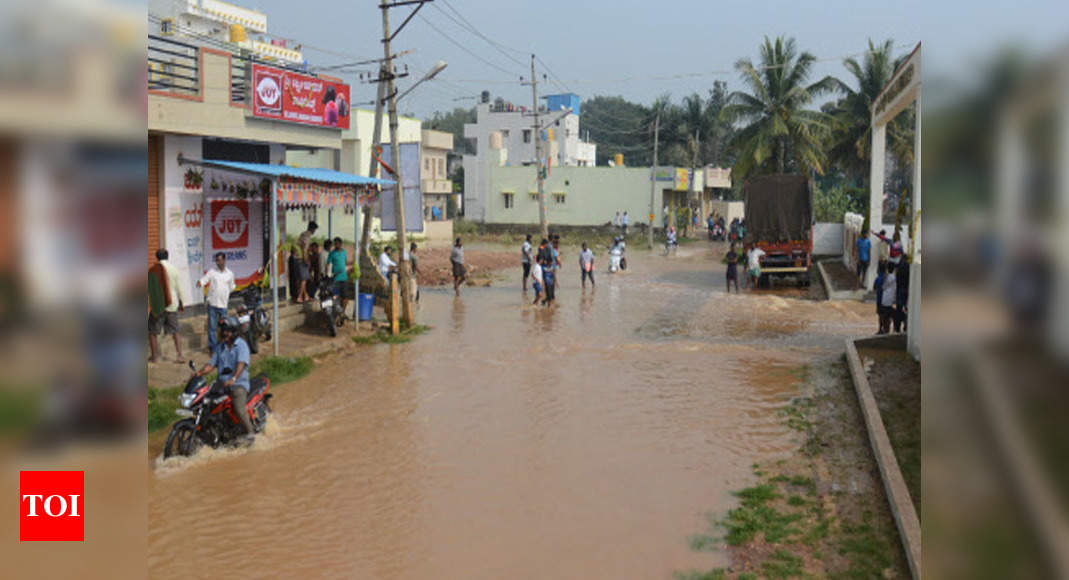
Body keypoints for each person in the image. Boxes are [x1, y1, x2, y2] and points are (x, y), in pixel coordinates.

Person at [194, 316, 254, 442]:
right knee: (207, 405)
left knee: (238, 407)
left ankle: (250, 433)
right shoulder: (220, 347)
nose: (224, 333)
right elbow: (211, 365)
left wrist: (234, 378)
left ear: (234, 331)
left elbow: (241, 364)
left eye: (227, 330)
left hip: (238, 384)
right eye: (223, 330)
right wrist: (199, 373)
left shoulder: (241, 345)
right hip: (221, 385)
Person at [148, 249, 186, 363]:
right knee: (175, 331)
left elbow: (151, 289)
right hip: (172, 304)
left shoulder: (153, 270)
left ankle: (155, 357)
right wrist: (182, 302)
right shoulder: (174, 270)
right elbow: (179, 288)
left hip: (158, 306)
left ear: (156, 257)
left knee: (152, 332)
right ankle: (179, 355)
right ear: (167, 256)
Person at [197, 252, 235, 354]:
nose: (218, 262)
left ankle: (224, 347)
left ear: (224, 260)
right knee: (212, 328)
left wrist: (224, 293)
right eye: (217, 260)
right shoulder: (212, 272)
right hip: (212, 304)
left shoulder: (230, 274)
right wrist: (200, 282)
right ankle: (213, 349)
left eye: (220, 260)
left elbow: (231, 287)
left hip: (223, 305)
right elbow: (205, 279)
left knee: (225, 328)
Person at [295, 222, 317, 304]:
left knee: (302, 278)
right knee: (304, 279)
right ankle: (300, 297)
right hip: (301, 259)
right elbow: (304, 248)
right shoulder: (307, 236)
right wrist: (306, 260)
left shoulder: (303, 234)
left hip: (297, 258)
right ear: (312, 229)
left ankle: (306, 295)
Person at [327, 237, 350, 315]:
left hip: (344, 278)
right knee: (335, 296)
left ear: (341, 244)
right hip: (335, 280)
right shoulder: (332, 253)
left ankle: (342, 312)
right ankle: (336, 312)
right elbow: (328, 264)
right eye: (335, 244)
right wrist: (328, 275)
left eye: (337, 243)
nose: (336, 245)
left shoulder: (344, 252)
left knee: (345, 297)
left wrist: (350, 267)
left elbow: (346, 263)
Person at [880, 261, 897, 334]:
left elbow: (883, 287)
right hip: (891, 299)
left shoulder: (887, 277)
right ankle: (891, 329)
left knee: (885, 316)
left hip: (885, 299)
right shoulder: (895, 277)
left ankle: (886, 329)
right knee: (890, 315)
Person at [537, 238, 555, 305]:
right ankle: (547, 302)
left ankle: (546, 301)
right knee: (548, 291)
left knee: (549, 292)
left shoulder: (547, 268)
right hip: (548, 286)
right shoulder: (546, 268)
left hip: (549, 285)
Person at [893, 261, 909, 332]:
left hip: (900, 291)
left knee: (898, 310)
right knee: (907, 310)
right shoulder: (908, 270)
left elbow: (897, 283)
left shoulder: (899, 271)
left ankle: (897, 327)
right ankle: (906, 326)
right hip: (906, 291)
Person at [874, 261, 887, 333]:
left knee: (880, 315)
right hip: (887, 300)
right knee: (885, 314)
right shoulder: (887, 277)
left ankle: (881, 329)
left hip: (879, 299)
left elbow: (874, 287)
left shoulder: (878, 278)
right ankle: (884, 328)